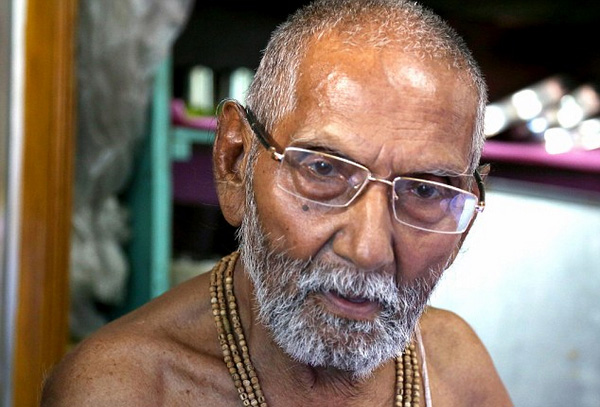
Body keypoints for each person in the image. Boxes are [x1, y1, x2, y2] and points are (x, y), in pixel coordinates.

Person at [42, 0, 513, 406]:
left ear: (466, 223)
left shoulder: (453, 369)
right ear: (235, 162)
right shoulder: (125, 389)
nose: (368, 250)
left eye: (426, 191)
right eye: (323, 170)